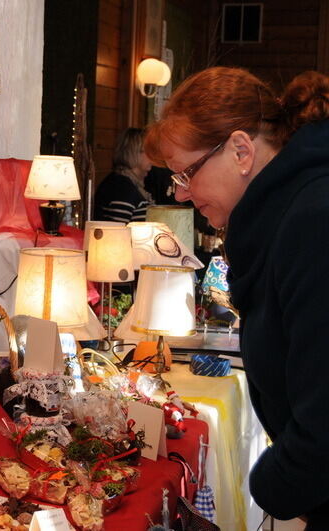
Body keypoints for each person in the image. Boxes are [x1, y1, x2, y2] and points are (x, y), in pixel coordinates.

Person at [145, 67, 329, 528]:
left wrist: (274, 483)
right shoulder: (288, 212)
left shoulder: (313, 218)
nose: (182, 194)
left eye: (186, 173)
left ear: (241, 150)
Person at [94, 127, 153, 222]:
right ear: (136, 152)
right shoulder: (123, 188)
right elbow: (117, 231)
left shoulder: (123, 182)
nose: (153, 158)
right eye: (149, 152)